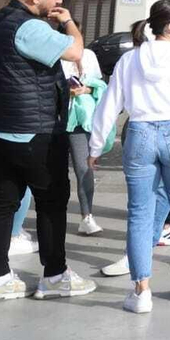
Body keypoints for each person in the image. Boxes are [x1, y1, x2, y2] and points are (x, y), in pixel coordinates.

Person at [0, 0, 97, 306]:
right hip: (34, 130)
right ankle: (55, 275)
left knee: (3, 201)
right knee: (52, 201)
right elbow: (76, 51)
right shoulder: (29, 27)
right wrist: (68, 22)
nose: (59, 4)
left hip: (2, 126)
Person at [89, 0, 170, 314]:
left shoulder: (130, 59)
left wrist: (96, 146)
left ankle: (141, 291)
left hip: (139, 133)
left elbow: (109, 104)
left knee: (140, 214)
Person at [62, 36, 107, 236]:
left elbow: (99, 85)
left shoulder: (88, 55)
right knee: (53, 171)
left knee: (83, 167)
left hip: (80, 120)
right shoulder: (52, 56)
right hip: (54, 119)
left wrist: (86, 89)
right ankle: (52, 214)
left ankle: (86, 216)